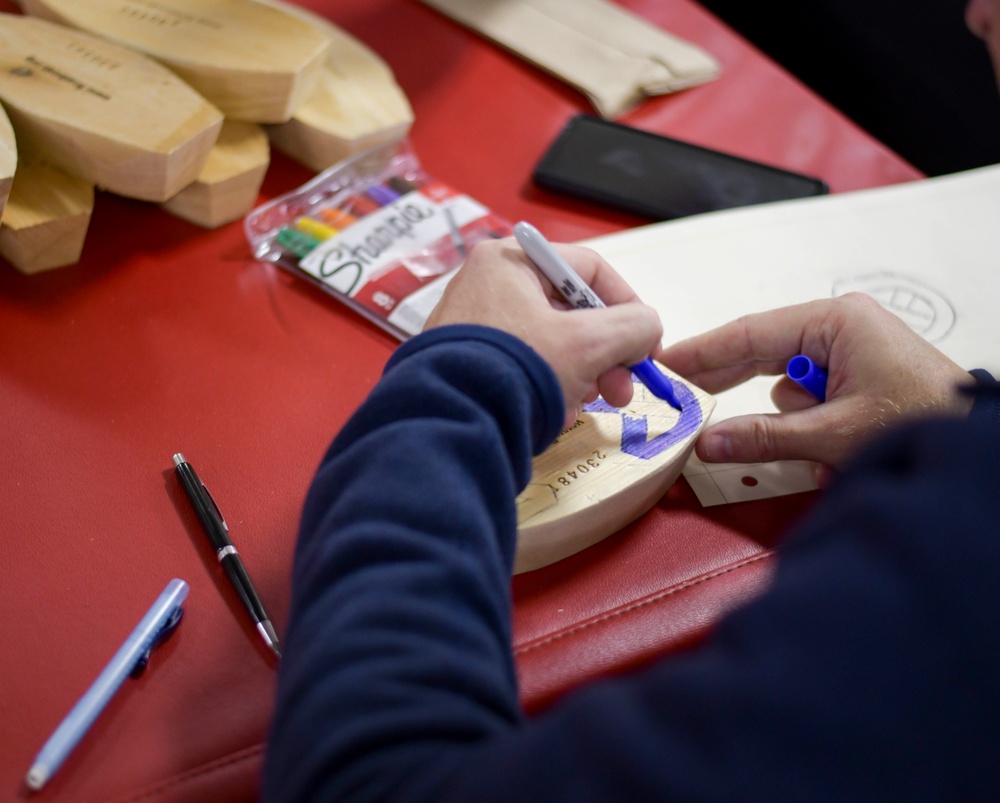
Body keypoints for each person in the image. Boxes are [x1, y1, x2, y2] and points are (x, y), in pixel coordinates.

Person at [263, 5, 1000, 799]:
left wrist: (459, 382)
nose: (975, 10)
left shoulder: (958, 582)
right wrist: (953, 430)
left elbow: (365, 779)